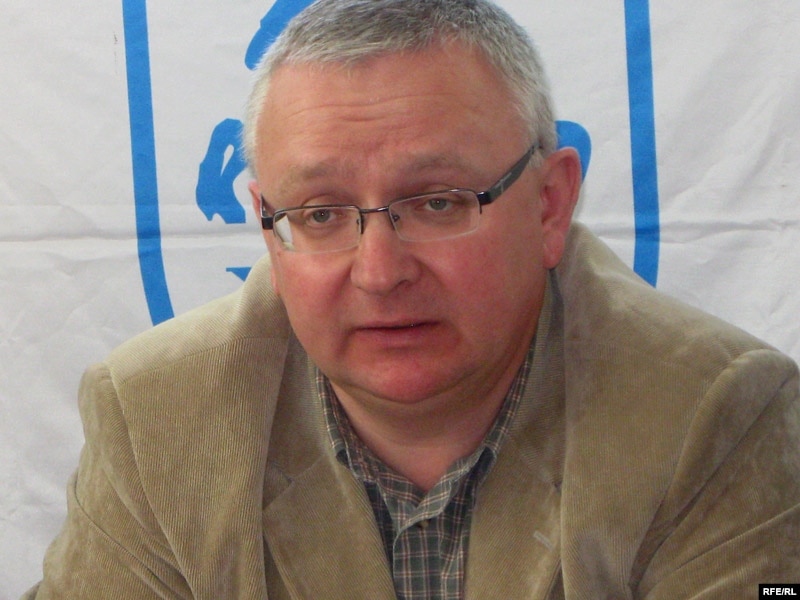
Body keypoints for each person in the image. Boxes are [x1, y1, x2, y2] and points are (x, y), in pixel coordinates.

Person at [24, 0, 800, 598]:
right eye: (320, 215)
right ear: (267, 225)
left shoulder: (716, 415)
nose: (379, 271)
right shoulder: (155, 417)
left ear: (549, 206)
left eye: (437, 202)